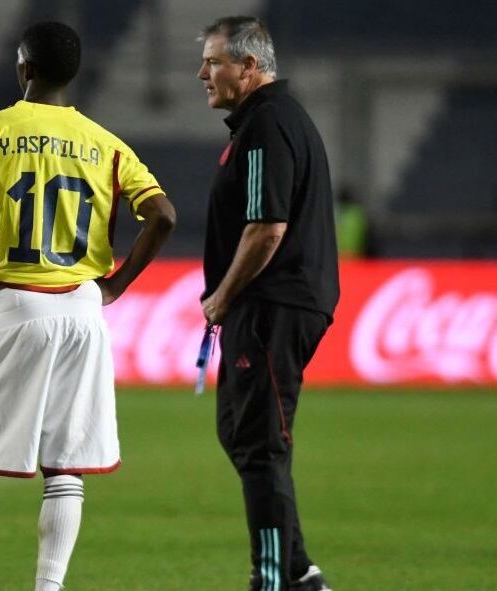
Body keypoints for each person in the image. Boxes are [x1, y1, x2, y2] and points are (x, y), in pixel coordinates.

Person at [0, 21, 176, 591]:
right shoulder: (105, 143)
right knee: (66, 468)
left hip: (18, 306)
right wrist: (115, 286)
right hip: (84, 310)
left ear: (24, 69)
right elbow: (163, 215)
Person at [196, 16, 338, 591]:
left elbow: (267, 227)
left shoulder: (267, 125)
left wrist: (222, 298)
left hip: (271, 305)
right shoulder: (267, 121)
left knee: (259, 442)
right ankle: (298, 572)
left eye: (214, 61)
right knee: (240, 431)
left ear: (249, 67)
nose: (202, 73)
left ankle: (275, 578)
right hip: (270, 306)